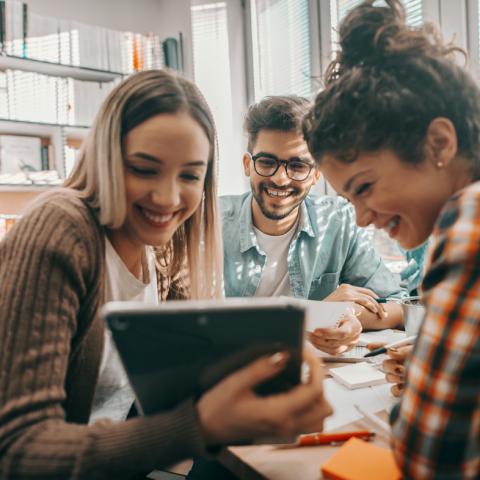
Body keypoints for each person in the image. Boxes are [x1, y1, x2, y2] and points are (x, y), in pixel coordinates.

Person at [0, 70, 332, 479]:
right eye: (144, 169)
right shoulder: (62, 228)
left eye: (190, 175)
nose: (168, 197)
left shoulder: (163, 243)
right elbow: (18, 451)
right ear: (106, 158)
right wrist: (200, 425)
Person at [304, 0, 479, 477]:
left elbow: (429, 456)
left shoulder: (471, 218)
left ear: (439, 143)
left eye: (365, 188)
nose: (360, 219)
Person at [221, 95, 406, 355]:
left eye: (297, 166)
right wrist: (314, 314)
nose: (281, 178)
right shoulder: (211, 225)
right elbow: (199, 326)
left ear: (316, 174)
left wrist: (349, 316)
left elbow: (397, 304)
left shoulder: (338, 220)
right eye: (267, 162)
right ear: (247, 165)